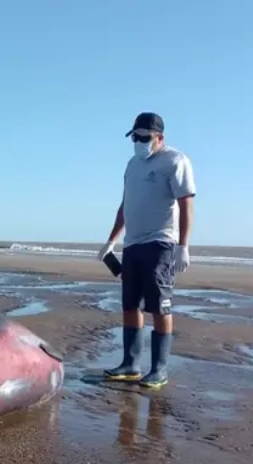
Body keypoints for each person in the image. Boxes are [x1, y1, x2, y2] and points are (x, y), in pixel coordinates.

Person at [97, 112, 196, 389]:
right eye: (135, 137)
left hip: (160, 242)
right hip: (133, 244)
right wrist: (111, 241)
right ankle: (130, 364)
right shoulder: (132, 164)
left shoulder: (175, 161)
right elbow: (125, 205)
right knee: (130, 304)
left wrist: (183, 246)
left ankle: (159, 369)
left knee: (159, 307)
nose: (139, 142)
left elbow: (186, 204)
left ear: (160, 138)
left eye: (145, 137)